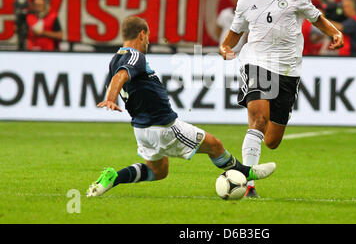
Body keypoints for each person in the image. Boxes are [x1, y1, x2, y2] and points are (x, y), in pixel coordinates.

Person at [86, 16, 276, 197]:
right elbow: (121, 76)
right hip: (164, 125)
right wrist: (110, 98)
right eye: (148, 37)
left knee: (158, 171)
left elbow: (118, 76)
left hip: (142, 129)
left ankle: (113, 178)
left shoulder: (115, 58)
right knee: (214, 145)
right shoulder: (135, 57)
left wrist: (113, 94)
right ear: (142, 34)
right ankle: (246, 172)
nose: (148, 42)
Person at [219, 0, 344, 197]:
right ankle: (248, 184)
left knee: (272, 141)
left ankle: (251, 161)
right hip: (256, 61)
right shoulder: (245, 1)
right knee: (258, 119)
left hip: (288, 69)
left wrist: (335, 33)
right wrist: (225, 46)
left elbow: (316, 18)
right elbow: (236, 32)